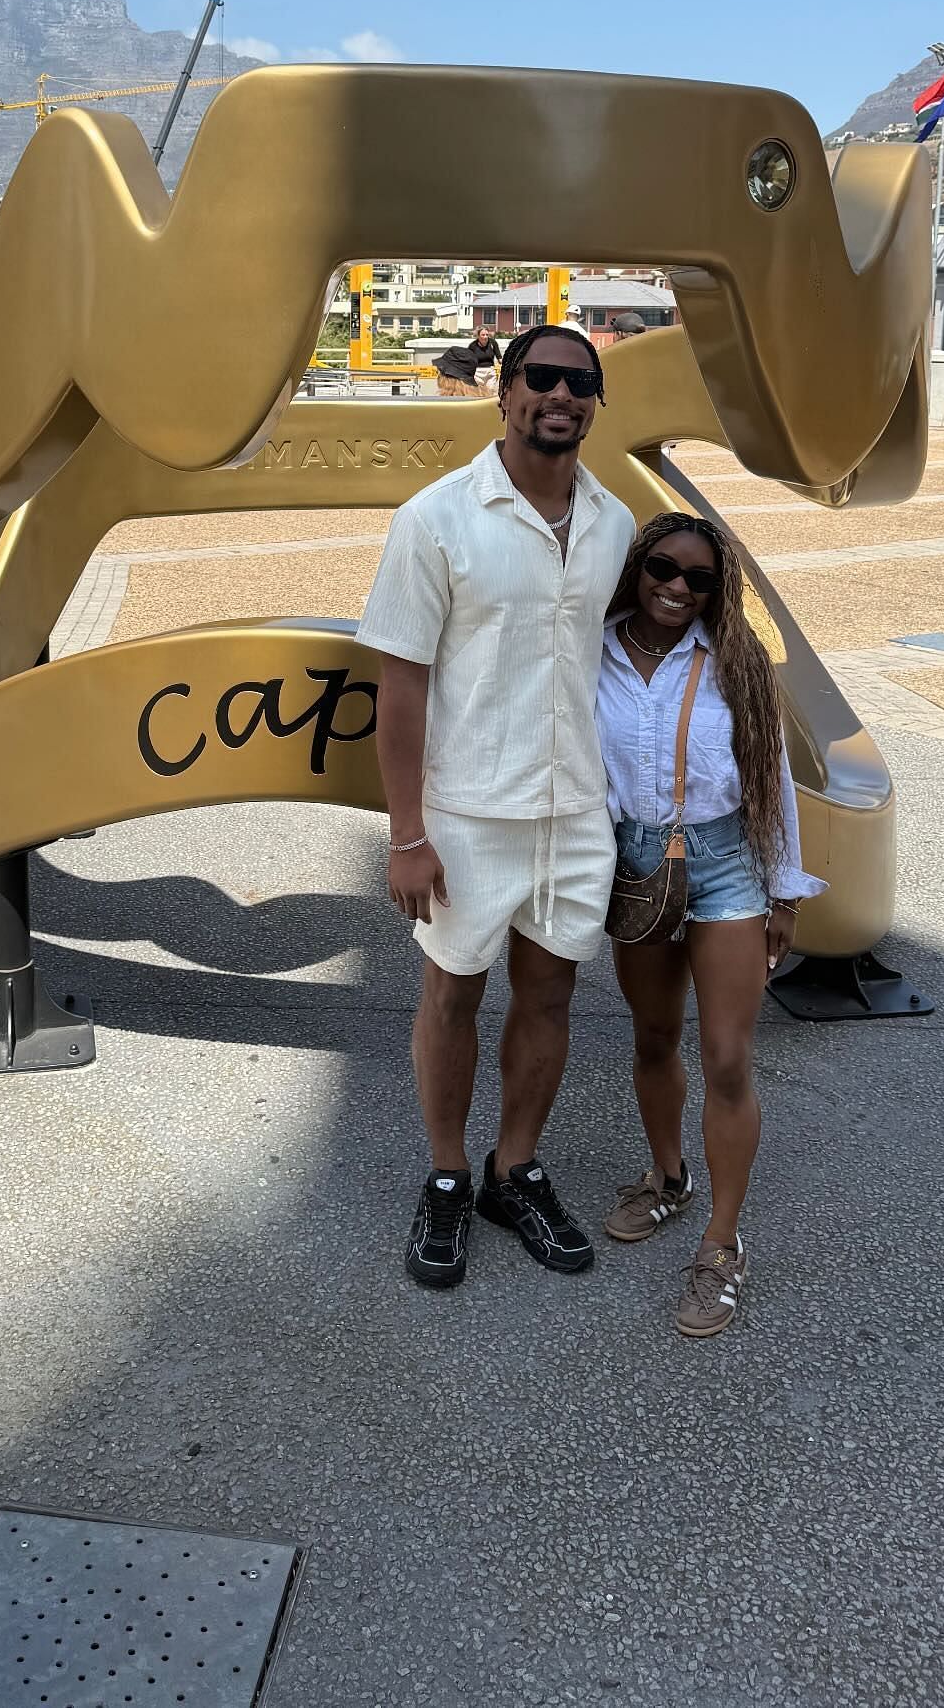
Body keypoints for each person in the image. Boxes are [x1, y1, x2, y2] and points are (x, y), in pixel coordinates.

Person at [359, 323, 634, 1288]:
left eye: (580, 383)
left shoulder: (615, 523)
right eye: (541, 379)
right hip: (469, 812)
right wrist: (406, 836)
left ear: (596, 403)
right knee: (453, 993)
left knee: (551, 995)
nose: (560, 396)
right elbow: (401, 686)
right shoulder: (436, 519)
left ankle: (513, 1169)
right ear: (503, 393)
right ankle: (444, 1175)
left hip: (575, 812)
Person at [594, 512, 825, 1338]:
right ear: (638, 567)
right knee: (654, 1037)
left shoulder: (737, 663)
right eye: (664, 567)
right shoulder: (595, 652)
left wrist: (785, 893)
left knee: (728, 1056)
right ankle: (668, 1180)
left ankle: (722, 1247)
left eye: (701, 579)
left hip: (729, 865)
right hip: (637, 863)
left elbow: (774, 779)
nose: (679, 588)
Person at [433, 326, 501, 397]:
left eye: (487, 335)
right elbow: (469, 359)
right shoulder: (473, 345)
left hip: (489, 370)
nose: (485, 337)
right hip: (477, 371)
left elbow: (499, 356)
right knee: (482, 392)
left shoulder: (492, 343)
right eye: (483, 335)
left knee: (489, 390)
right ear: (478, 336)